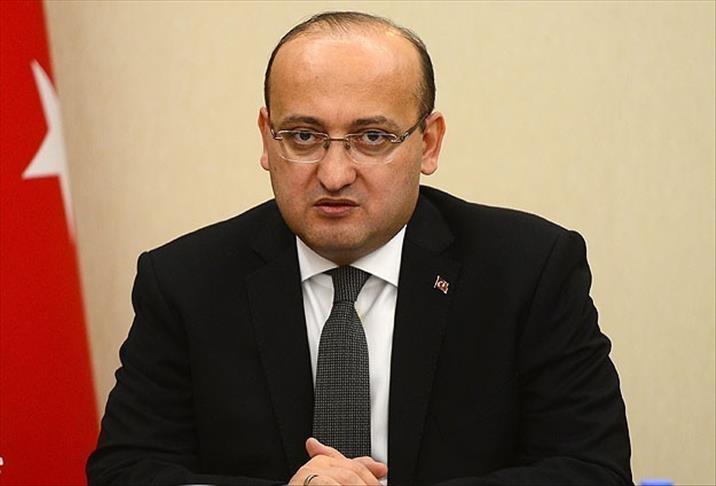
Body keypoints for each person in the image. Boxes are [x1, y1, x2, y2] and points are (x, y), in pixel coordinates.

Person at [87, 11, 632, 486]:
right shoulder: (185, 282)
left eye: (372, 138)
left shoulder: (529, 270)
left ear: (429, 143)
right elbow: (125, 471)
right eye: (303, 136)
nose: (334, 173)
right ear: (266, 138)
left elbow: (593, 470)